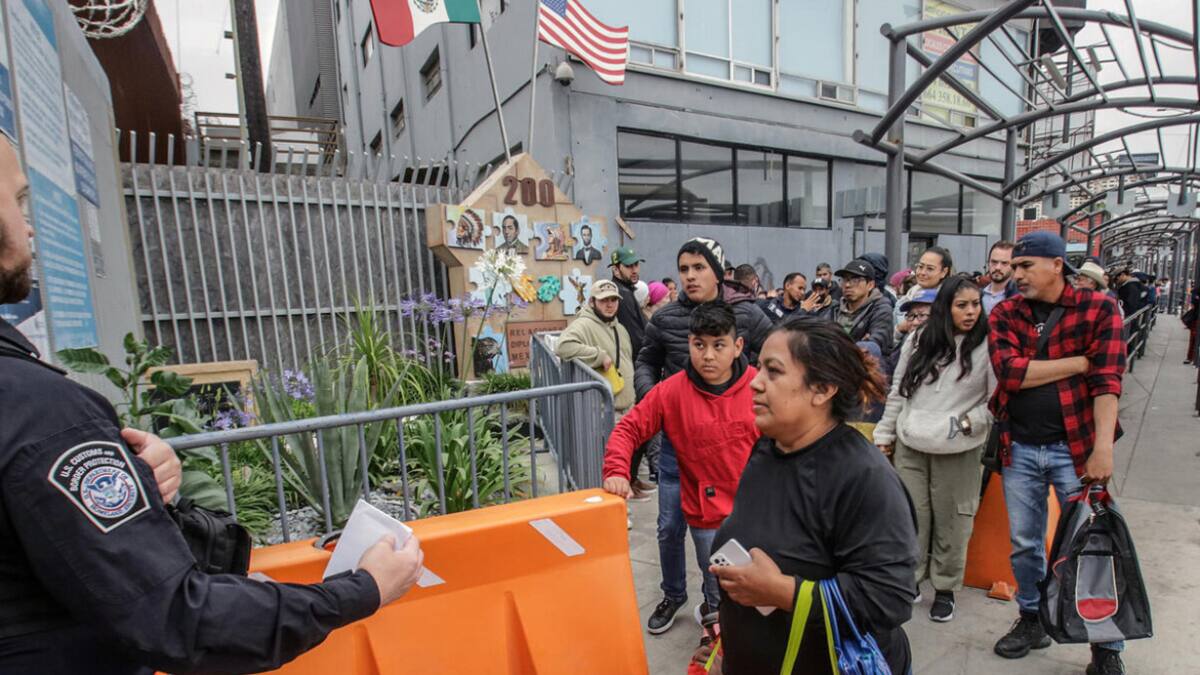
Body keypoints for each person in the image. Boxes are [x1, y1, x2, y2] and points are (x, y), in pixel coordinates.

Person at [0, 132, 426, 673]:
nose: (30, 224)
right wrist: (360, 590)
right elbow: (181, 618)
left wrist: (131, 482)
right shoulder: (38, 413)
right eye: (15, 201)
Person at [700, 318, 917, 675]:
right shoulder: (767, 448)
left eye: (773, 371)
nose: (754, 383)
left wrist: (783, 591)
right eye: (759, 368)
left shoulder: (865, 478)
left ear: (822, 389)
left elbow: (888, 599)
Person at [988, 231, 1127, 674]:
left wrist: (1102, 449)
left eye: (1026, 266)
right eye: (1014, 267)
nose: (1017, 274)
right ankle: (1032, 619)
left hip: (1077, 449)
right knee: (1025, 544)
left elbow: (1108, 382)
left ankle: (1105, 644)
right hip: (1021, 448)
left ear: (1055, 264)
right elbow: (1009, 374)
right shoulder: (1008, 312)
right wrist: (1078, 363)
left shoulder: (1100, 309)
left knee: (1094, 545)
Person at [635, 237, 773, 634]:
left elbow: (779, 356)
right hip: (676, 447)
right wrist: (655, 401)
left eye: (699, 267)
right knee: (668, 527)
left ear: (718, 270)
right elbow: (647, 360)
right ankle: (673, 593)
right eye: (684, 269)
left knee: (721, 536)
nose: (691, 276)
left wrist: (759, 399)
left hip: (728, 451)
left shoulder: (746, 315)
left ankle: (718, 607)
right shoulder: (664, 319)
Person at [603, 303, 759, 630]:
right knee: (718, 583)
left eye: (719, 345)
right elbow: (628, 428)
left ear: (738, 346)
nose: (708, 355)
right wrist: (617, 470)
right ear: (689, 343)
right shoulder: (671, 392)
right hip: (707, 516)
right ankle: (716, 634)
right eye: (699, 345)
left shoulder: (760, 387)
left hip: (756, 513)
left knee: (757, 593)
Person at [874, 276, 994, 624]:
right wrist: (884, 434)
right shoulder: (919, 338)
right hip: (911, 443)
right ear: (946, 307)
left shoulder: (988, 344)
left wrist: (966, 425)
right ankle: (908, 581)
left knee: (954, 522)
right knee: (912, 518)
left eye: (975, 304)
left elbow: (996, 399)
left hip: (960, 448)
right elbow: (899, 390)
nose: (971, 312)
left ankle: (945, 589)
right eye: (962, 305)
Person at [554, 279, 641, 486]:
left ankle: (620, 505)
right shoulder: (584, 324)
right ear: (592, 302)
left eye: (613, 300)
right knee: (609, 467)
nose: (610, 304)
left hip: (625, 407)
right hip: (606, 411)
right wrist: (597, 355)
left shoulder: (618, 327)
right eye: (604, 300)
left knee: (621, 465)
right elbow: (562, 346)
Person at [826, 258, 894, 355]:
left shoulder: (881, 309)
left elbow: (874, 345)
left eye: (855, 280)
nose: (848, 285)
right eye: (845, 280)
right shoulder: (834, 309)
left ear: (870, 285)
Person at [896, 246, 953, 338]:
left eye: (930, 269)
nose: (922, 272)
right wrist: (899, 330)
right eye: (920, 267)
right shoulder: (910, 295)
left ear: (944, 272)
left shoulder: (950, 298)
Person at [608, 246, 646, 364]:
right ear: (616, 270)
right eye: (628, 266)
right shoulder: (621, 294)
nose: (634, 270)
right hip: (633, 363)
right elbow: (634, 335)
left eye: (636, 264)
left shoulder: (623, 290)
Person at [982, 240, 1016, 314]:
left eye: (1004, 263)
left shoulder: (1019, 298)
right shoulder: (978, 295)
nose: (998, 267)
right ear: (988, 262)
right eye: (994, 262)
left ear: (1013, 265)